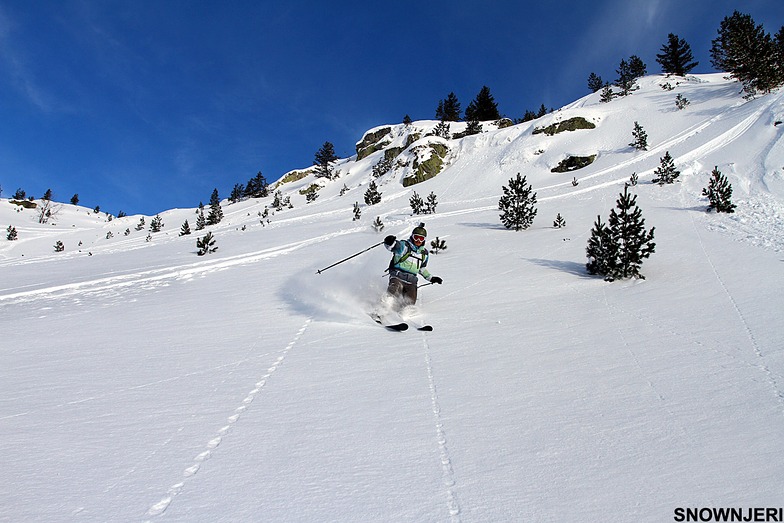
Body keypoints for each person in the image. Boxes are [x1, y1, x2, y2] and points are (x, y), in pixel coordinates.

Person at [381, 223, 442, 310]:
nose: (418, 240)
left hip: (411, 281)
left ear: (424, 240)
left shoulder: (424, 253)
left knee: (409, 304)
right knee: (393, 293)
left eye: (421, 238)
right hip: (397, 276)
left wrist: (431, 278)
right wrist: (389, 242)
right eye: (416, 237)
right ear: (412, 236)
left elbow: (421, 268)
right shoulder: (404, 246)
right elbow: (393, 246)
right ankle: (381, 310)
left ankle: (402, 317)